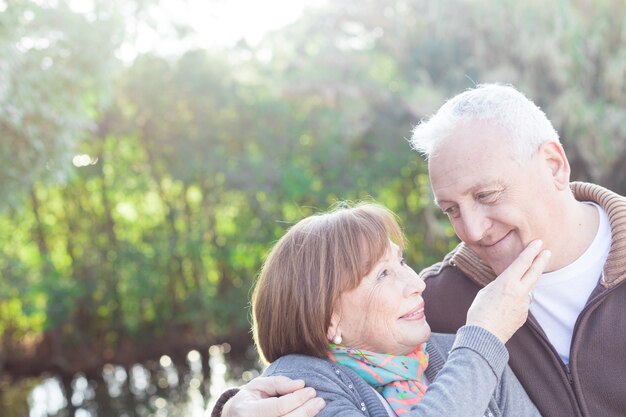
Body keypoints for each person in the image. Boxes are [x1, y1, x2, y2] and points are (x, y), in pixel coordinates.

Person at [212, 84, 626, 417]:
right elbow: (307, 357)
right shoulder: (440, 301)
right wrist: (231, 409)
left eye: (487, 194)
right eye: (451, 210)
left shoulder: (432, 319)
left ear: (554, 165)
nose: (472, 231)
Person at [212, 202, 549, 417]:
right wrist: (483, 338)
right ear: (330, 318)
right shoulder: (301, 384)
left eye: (401, 261)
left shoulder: (454, 352)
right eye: (383, 274)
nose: (416, 283)